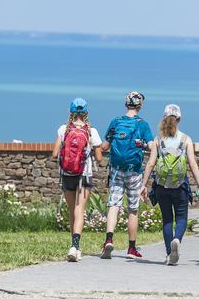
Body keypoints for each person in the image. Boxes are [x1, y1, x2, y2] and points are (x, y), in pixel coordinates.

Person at [140, 104, 199, 265]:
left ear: (164, 118)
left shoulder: (158, 140)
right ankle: (177, 239)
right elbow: (192, 163)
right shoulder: (185, 139)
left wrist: (143, 185)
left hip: (162, 186)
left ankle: (170, 253)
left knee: (167, 220)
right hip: (180, 186)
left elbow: (150, 164)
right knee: (182, 217)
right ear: (179, 119)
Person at [100, 91, 154, 260]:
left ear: (126, 104)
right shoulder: (143, 125)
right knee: (133, 209)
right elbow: (152, 147)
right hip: (135, 171)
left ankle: (109, 239)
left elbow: (104, 146)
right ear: (140, 105)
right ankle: (131, 248)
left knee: (113, 205)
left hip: (116, 169)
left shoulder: (115, 122)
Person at [52, 98, 103, 262]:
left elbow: (54, 154)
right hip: (84, 175)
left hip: (67, 174)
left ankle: (74, 247)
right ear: (86, 113)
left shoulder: (63, 129)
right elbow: (100, 158)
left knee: (71, 210)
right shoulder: (91, 132)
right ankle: (75, 246)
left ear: (71, 112)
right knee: (79, 209)